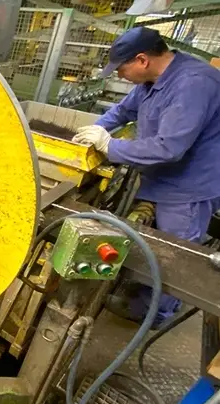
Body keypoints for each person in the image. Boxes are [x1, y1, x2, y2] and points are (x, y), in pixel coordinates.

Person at [73, 27, 220, 327]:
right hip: (162, 179)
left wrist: (111, 146)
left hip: (188, 188)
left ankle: (156, 313)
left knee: (176, 254)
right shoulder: (153, 80)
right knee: (156, 243)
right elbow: (122, 111)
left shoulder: (194, 84)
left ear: (141, 60)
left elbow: (169, 147)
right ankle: (146, 289)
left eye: (121, 69)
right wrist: (89, 137)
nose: (120, 76)